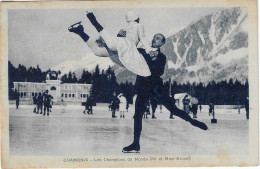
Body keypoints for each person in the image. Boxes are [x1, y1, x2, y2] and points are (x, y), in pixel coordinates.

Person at [69, 19, 208, 153]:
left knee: (172, 108)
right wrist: (119, 37)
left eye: (159, 38)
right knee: (137, 115)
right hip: (142, 86)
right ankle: (136, 144)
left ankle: (192, 121)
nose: (155, 39)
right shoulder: (141, 50)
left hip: (155, 86)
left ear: (162, 43)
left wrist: (152, 59)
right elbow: (125, 52)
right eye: (155, 37)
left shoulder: (161, 57)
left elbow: (159, 72)